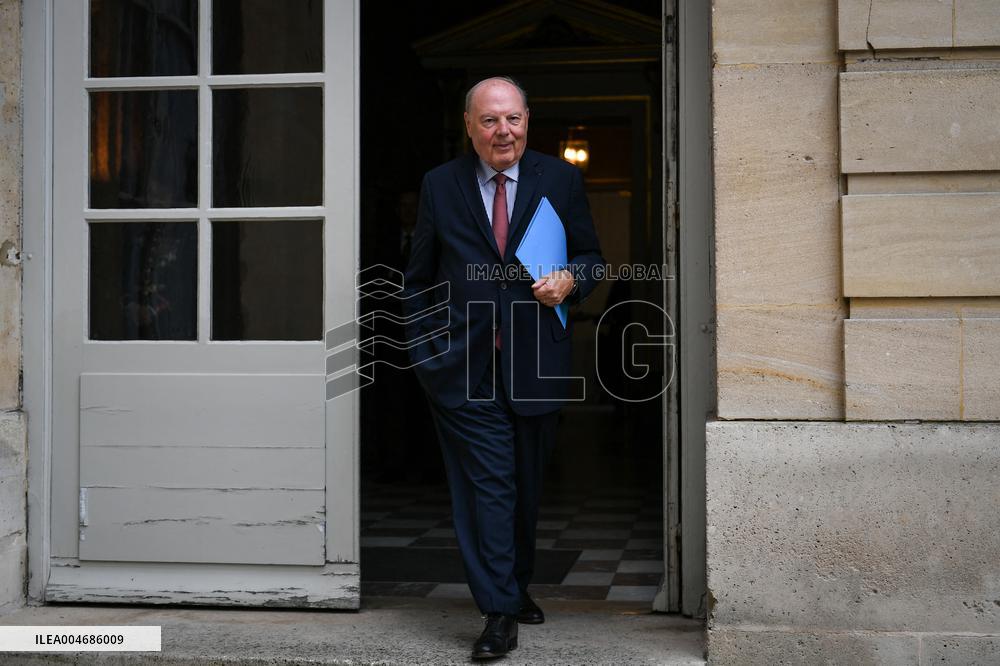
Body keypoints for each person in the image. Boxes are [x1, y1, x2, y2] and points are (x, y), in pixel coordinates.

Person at [402, 76, 604, 660]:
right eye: (489, 120)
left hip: (537, 360)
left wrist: (571, 281)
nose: (503, 131)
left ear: (527, 120)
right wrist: (427, 351)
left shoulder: (559, 179)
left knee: (525, 488)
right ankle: (497, 612)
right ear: (469, 125)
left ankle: (513, 587)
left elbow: (590, 256)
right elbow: (417, 278)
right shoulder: (440, 185)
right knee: (488, 488)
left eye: (512, 118)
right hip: (463, 367)